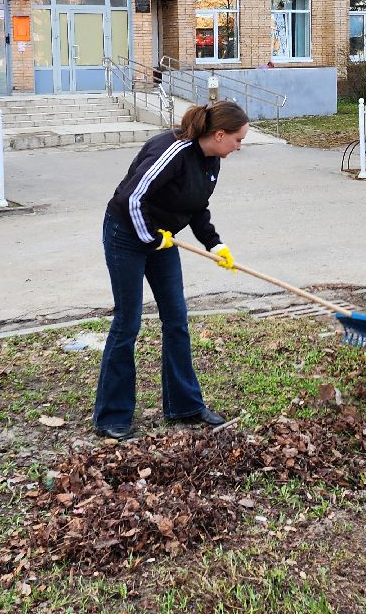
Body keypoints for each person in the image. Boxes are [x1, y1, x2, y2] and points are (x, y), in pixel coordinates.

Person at [92, 101, 250, 440]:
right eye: (237, 140)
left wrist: (214, 244)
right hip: (126, 234)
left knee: (176, 318)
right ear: (219, 134)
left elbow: (197, 206)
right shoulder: (173, 150)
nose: (238, 147)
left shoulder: (212, 161)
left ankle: (184, 405)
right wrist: (151, 237)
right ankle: (111, 416)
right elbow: (131, 199)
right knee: (128, 321)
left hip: (161, 239)